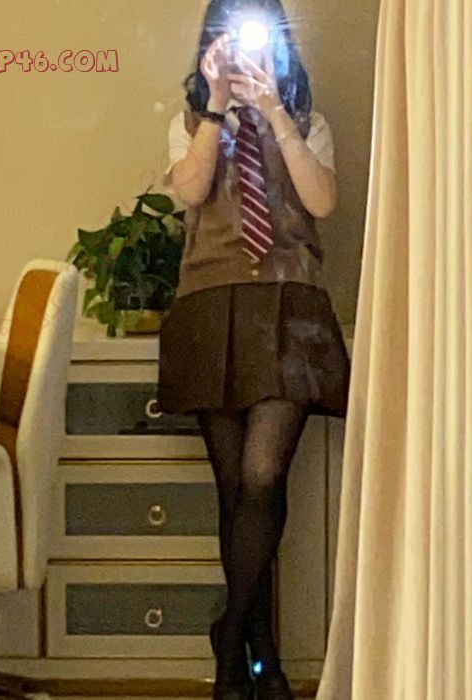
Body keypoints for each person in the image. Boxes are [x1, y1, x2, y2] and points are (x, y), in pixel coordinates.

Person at [156, 1, 350, 698]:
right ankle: (258, 648)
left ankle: (231, 632)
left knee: (264, 476)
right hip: (211, 307)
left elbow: (321, 203)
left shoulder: (306, 121)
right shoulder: (189, 122)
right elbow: (189, 192)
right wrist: (216, 107)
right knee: (235, 488)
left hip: (289, 308)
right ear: (211, 46)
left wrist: (273, 112)